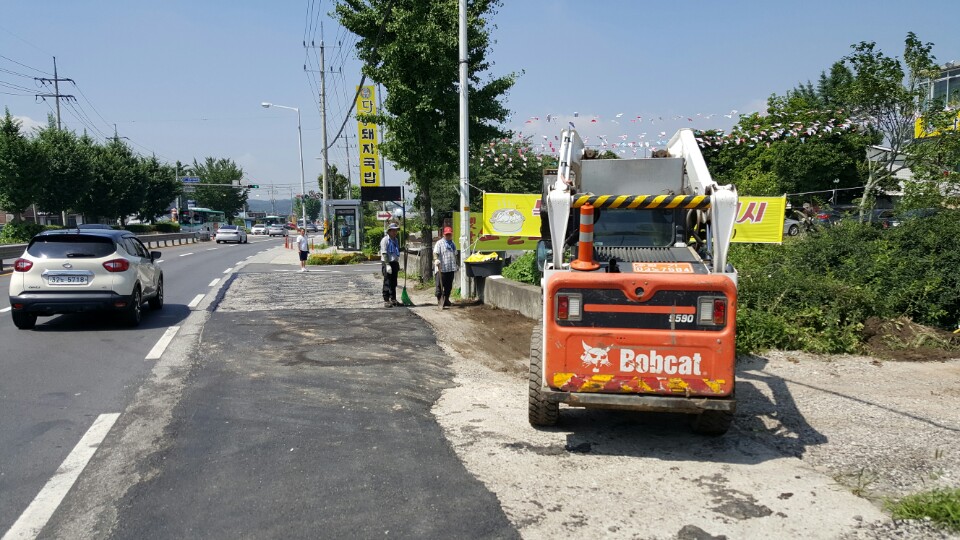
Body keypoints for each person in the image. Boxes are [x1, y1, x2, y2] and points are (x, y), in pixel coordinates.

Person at [433, 226, 457, 310]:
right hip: (441, 269)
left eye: (449, 234)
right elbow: (435, 253)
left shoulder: (453, 243)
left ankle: (446, 299)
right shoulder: (439, 243)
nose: (448, 236)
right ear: (444, 234)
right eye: (447, 234)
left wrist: (457, 264)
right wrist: (436, 259)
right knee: (439, 286)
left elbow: (455, 254)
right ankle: (439, 300)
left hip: (450, 268)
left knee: (448, 286)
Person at [380, 223, 401, 307]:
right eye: (393, 231)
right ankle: (386, 300)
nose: (395, 232)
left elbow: (396, 251)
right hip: (387, 262)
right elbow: (384, 252)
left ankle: (393, 299)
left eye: (396, 231)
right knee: (387, 281)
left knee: (394, 281)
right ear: (389, 231)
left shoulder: (396, 240)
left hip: (394, 262)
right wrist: (387, 264)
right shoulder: (385, 240)